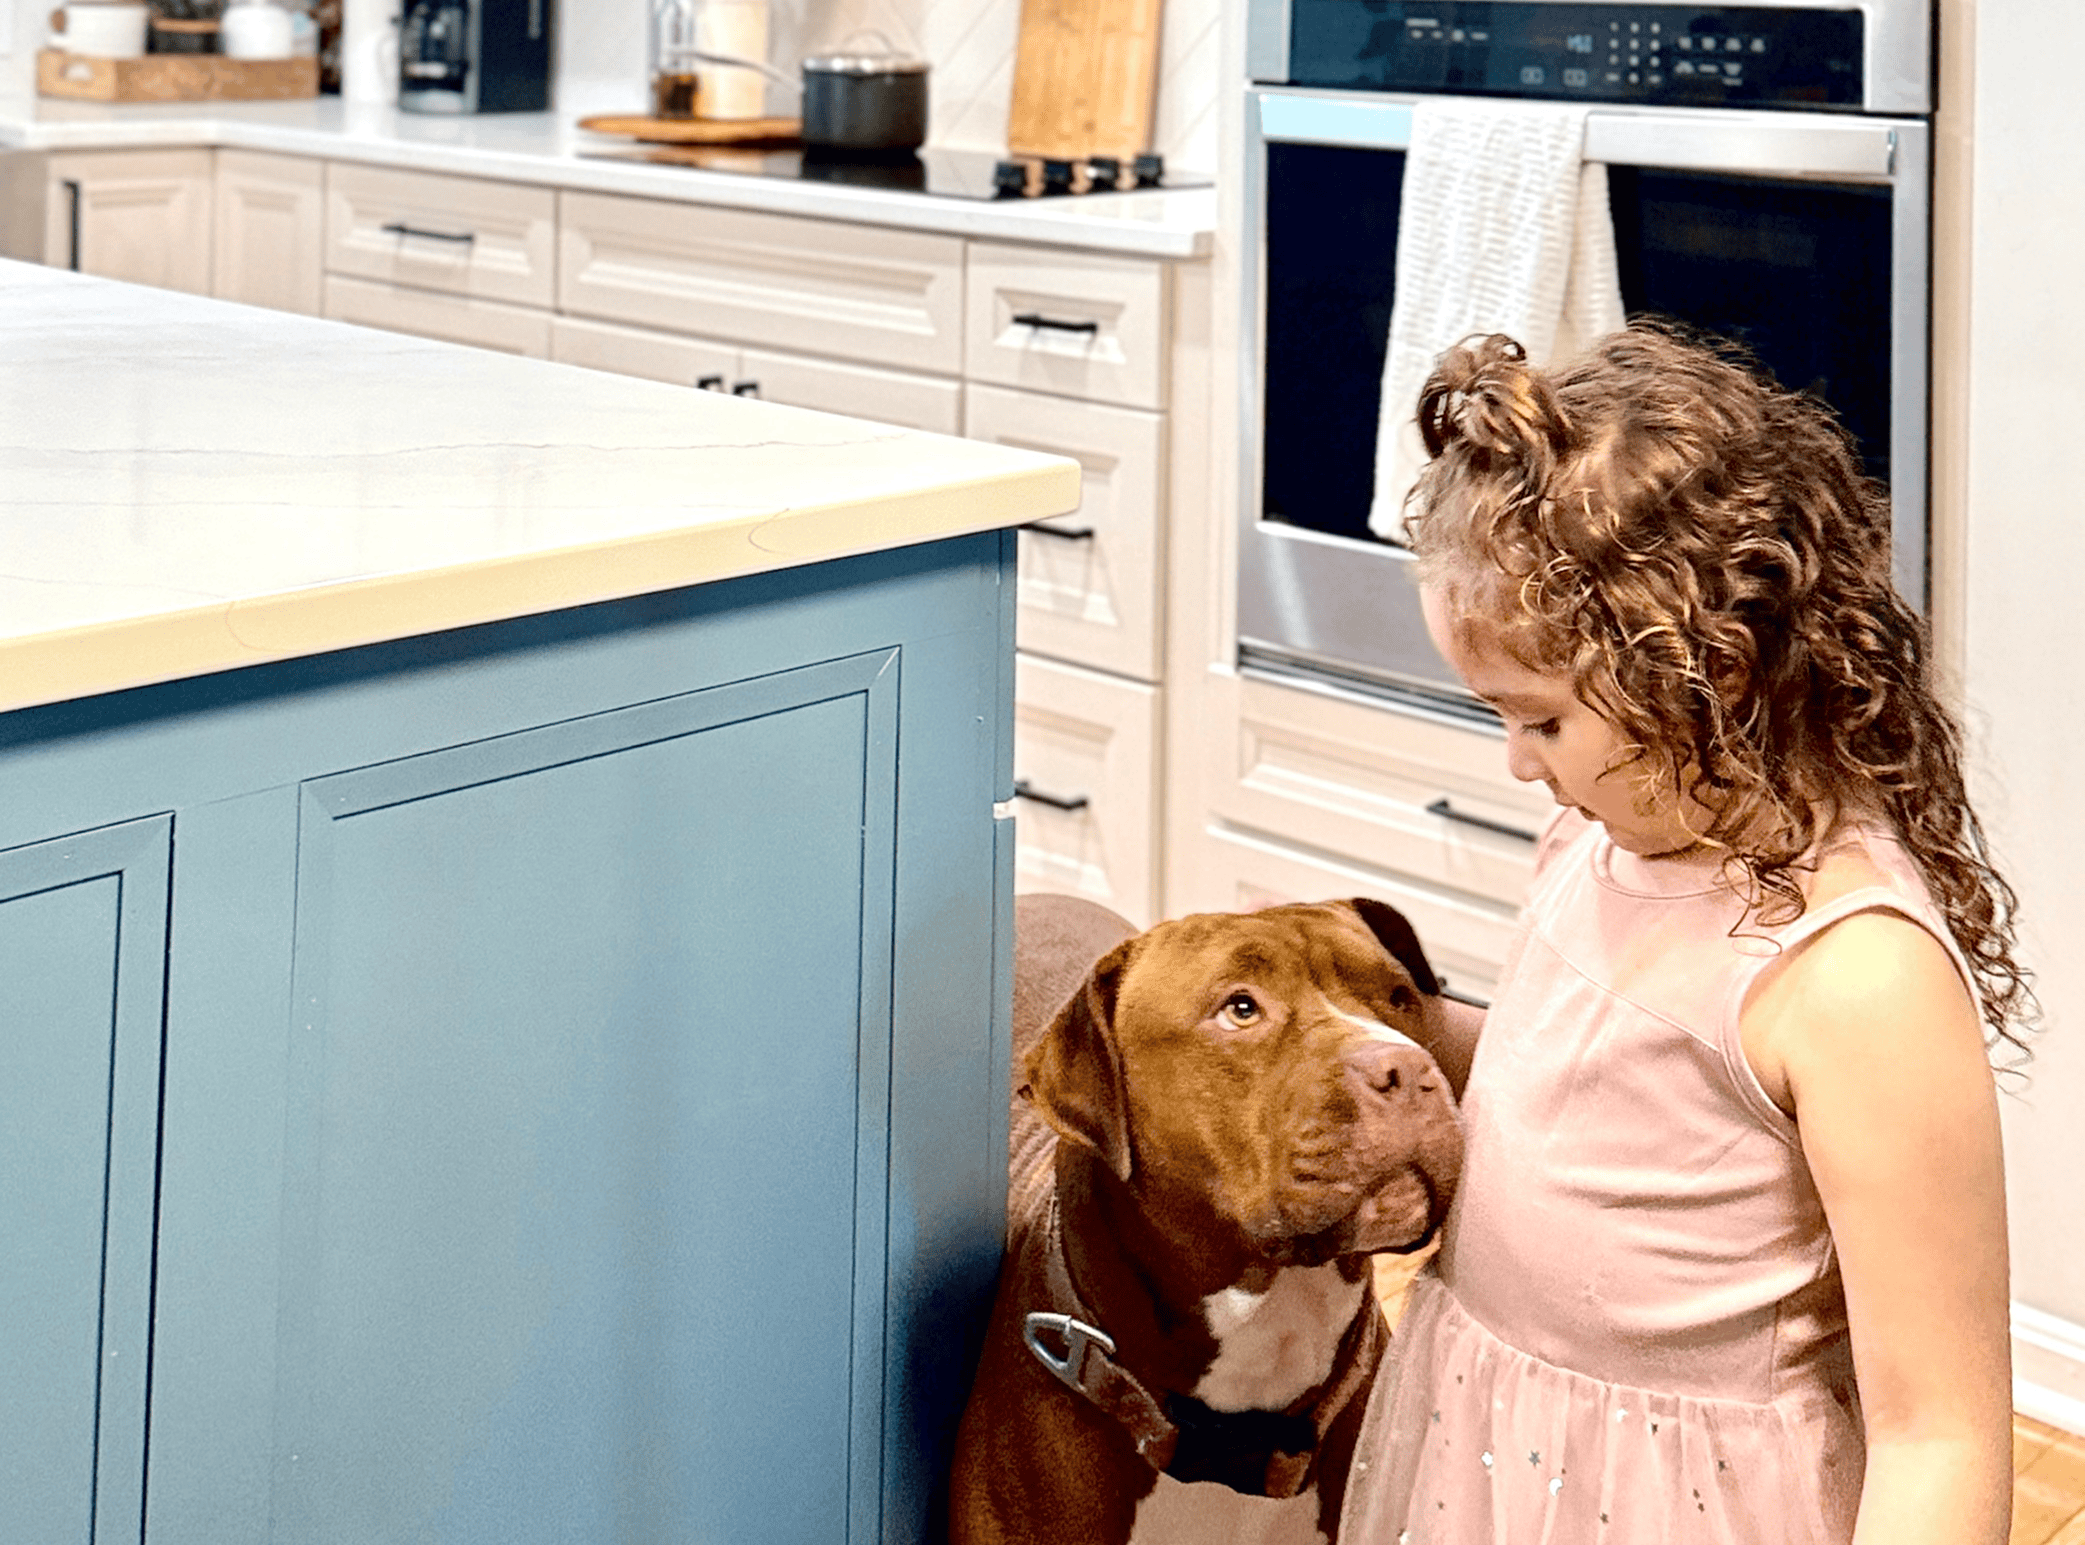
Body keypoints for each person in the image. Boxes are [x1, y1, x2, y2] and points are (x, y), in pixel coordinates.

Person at [1340, 325, 2033, 1545]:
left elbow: (1942, 1432)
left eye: (1541, 722)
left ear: (1706, 669)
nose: (1517, 763)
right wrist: (1362, 1036)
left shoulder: (1856, 974)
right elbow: (1580, 1082)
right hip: (1497, 1450)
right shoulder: (1603, 840)